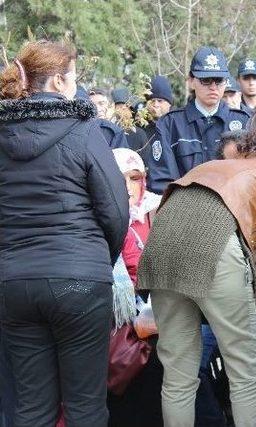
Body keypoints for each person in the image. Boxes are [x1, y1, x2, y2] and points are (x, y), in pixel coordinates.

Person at [137, 122, 256, 427]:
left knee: (178, 375)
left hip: (160, 250)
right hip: (216, 250)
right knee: (245, 371)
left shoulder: (211, 166)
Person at [0, 40, 129, 427]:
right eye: (73, 77)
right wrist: (95, 262)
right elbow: (116, 209)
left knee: (30, 409)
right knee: (85, 407)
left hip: (14, 282)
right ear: (57, 81)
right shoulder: (84, 131)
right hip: (79, 279)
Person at [107, 148, 164, 427]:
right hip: (114, 320)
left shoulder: (159, 210)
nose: (128, 187)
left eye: (135, 177)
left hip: (159, 313)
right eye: (118, 179)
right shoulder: (97, 215)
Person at [146, 46, 251, 194]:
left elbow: (252, 176)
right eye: (206, 80)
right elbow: (161, 181)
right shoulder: (170, 124)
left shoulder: (244, 122)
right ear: (191, 81)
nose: (213, 87)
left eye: (219, 80)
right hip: (184, 211)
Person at [112, 87, 149, 152]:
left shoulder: (139, 134)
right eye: (119, 107)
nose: (122, 110)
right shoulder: (110, 130)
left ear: (131, 112)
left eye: (125, 107)